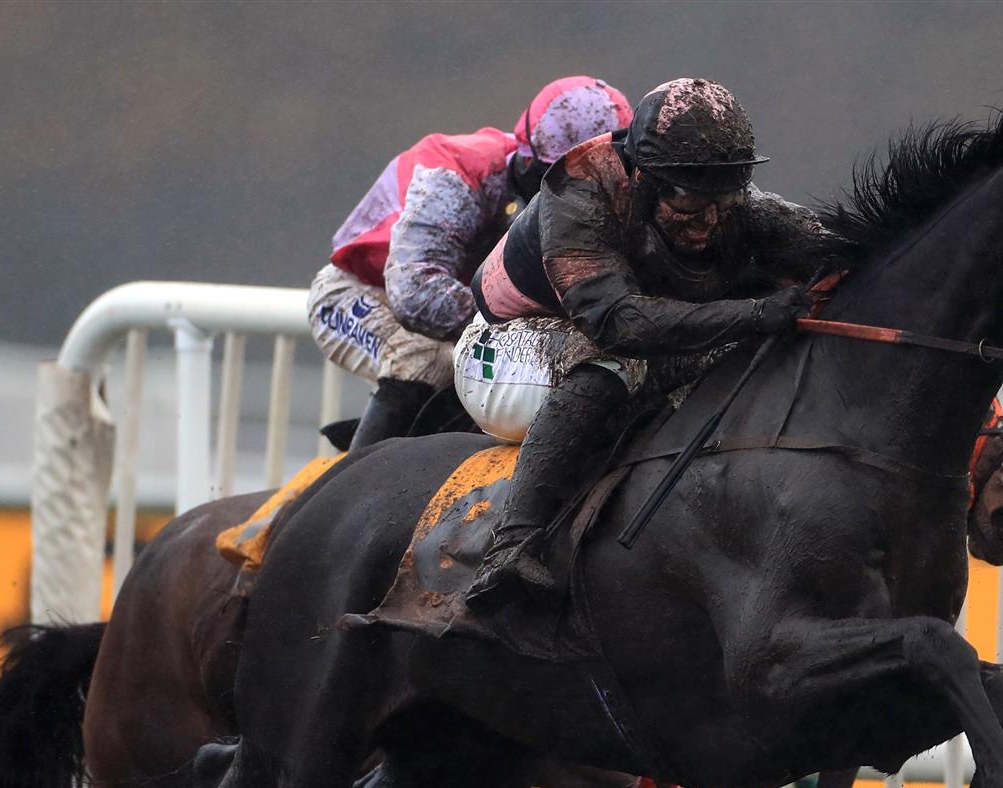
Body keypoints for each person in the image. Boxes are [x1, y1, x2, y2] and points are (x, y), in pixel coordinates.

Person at [455, 78, 824, 609]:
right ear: (645, 180)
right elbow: (620, 323)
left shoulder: (724, 199)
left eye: (725, 201)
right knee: (620, 366)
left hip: (611, 339)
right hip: (504, 348)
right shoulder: (578, 192)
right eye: (692, 204)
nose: (711, 222)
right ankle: (511, 547)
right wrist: (756, 312)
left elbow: (833, 246)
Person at [309, 76, 633, 449]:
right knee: (426, 359)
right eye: (556, 180)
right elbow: (415, 292)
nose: (569, 199)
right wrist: (520, 332)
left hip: (461, 306)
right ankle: (356, 485)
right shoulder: (455, 170)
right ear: (528, 159)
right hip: (359, 291)